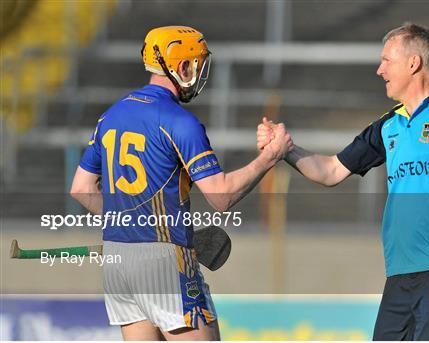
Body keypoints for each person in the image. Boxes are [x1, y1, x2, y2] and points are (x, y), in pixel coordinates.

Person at [257, 23, 429, 340]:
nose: (380, 70)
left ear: (413, 63)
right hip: (401, 271)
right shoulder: (389, 125)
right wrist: (285, 150)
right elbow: (330, 171)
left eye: (386, 61)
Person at [70, 26, 292, 341]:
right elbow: (221, 197)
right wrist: (270, 157)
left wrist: (132, 224)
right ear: (182, 67)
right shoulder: (180, 122)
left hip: (118, 262)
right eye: (198, 65)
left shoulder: (111, 116)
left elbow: (81, 188)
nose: (201, 74)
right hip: (165, 263)